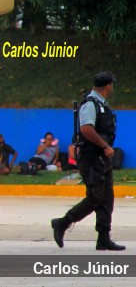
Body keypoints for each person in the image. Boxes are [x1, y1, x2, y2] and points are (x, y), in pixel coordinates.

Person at [51, 71, 125, 251]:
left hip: (101, 159)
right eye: (111, 84)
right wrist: (105, 146)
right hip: (92, 158)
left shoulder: (101, 104)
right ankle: (63, 222)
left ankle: (103, 238)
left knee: (107, 199)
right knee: (95, 198)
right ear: (108, 86)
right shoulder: (90, 104)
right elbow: (86, 129)